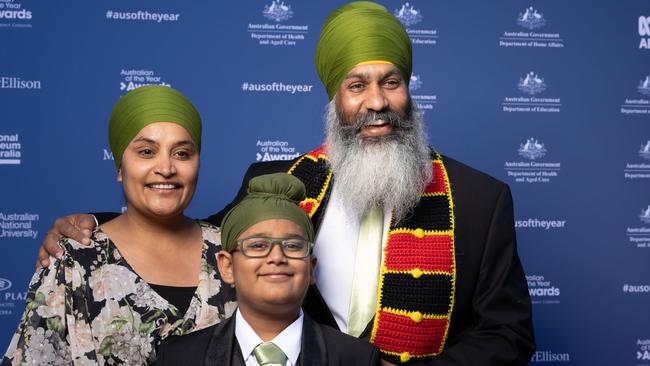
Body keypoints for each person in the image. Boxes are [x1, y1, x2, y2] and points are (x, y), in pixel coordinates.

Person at [37, 2, 535, 364]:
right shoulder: (280, 182)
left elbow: (508, 333)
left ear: (408, 89)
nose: (376, 103)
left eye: (391, 82)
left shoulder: (479, 200)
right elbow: (197, 238)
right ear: (334, 98)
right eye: (356, 86)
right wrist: (97, 227)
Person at [4, 85, 236, 365]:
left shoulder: (233, 253)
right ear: (119, 166)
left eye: (182, 153)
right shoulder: (73, 262)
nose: (166, 167)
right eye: (147, 152)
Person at [154, 173, 380, 365]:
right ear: (227, 266)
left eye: (292, 246)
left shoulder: (357, 357)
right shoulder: (179, 356)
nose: (277, 257)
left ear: (311, 269)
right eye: (258, 245)